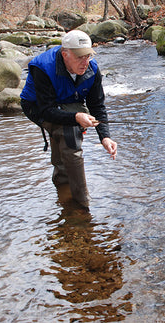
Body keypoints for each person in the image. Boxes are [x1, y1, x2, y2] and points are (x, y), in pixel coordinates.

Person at [20, 30, 117, 208]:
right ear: (65, 54)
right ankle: (82, 204)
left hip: (69, 100)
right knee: (69, 133)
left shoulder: (92, 69)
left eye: (88, 56)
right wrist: (76, 117)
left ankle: (63, 188)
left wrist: (105, 137)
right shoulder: (43, 67)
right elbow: (46, 110)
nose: (85, 62)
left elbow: (97, 106)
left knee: (65, 134)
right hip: (36, 106)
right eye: (80, 57)